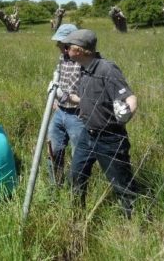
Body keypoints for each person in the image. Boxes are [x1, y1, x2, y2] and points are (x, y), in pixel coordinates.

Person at [62, 29, 138, 218]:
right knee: (76, 177)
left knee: (122, 184)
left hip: (109, 138)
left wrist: (127, 113)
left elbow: (129, 97)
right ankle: (76, 216)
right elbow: (87, 99)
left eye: (67, 47)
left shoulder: (106, 69)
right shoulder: (84, 69)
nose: (64, 51)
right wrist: (64, 96)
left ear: (79, 50)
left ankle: (133, 222)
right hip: (87, 134)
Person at [47, 24, 86, 185]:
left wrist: (69, 98)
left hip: (78, 115)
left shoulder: (86, 62)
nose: (58, 46)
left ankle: (77, 189)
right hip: (60, 112)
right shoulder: (63, 58)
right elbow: (59, 79)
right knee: (53, 150)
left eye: (62, 43)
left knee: (80, 154)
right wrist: (56, 99)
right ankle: (55, 185)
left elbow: (91, 96)